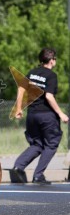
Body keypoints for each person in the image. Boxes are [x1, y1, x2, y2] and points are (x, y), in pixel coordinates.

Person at [10, 48, 68, 185]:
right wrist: (61, 113)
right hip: (47, 116)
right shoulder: (51, 75)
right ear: (52, 60)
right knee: (52, 144)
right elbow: (49, 96)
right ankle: (38, 175)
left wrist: (18, 108)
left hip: (32, 115)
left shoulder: (32, 73)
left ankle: (18, 167)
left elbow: (21, 89)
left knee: (37, 144)